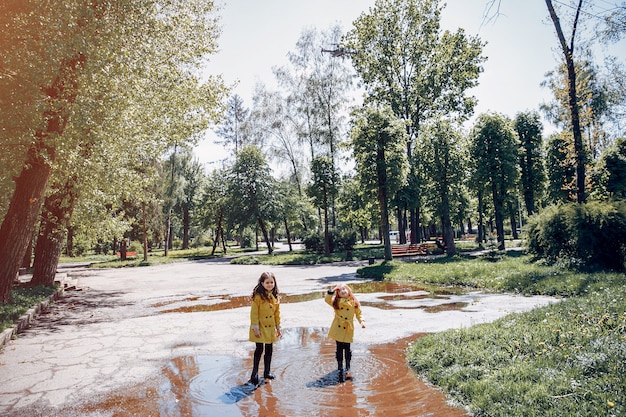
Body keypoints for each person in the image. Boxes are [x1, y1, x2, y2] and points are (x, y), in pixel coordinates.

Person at [324, 284, 365, 381]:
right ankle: (339, 367)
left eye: (344, 289)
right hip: (338, 327)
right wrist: (331, 291)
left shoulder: (354, 302)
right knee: (339, 348)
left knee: (347, 348)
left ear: (348, 290)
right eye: (340, 290)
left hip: (348, 328)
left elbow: (359, 313)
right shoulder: (336, 302)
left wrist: (362, 321)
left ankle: (347, 366)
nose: (343, 291)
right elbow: (327, 300)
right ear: (338, 294)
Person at [248, 272, 282, 385]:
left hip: (270, 327)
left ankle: (267, 371)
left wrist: (278, 328)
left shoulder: (275, 296)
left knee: (269, 349)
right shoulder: (257, 297)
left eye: (272, 282)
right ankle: (254, 373)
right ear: (262, 283)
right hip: (260, 326)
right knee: (259, 349)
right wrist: (255, 328)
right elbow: (254, 313)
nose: (270, 284)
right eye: (267, 282)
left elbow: (277, 314)